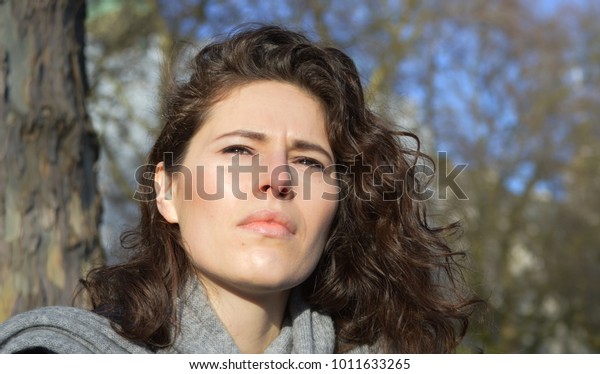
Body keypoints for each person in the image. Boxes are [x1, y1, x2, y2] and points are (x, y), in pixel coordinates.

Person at [0, 24, 479, 354]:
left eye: (310, 161)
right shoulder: (57, 352)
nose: (277, 178)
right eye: (239, 152)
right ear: (166, 193)